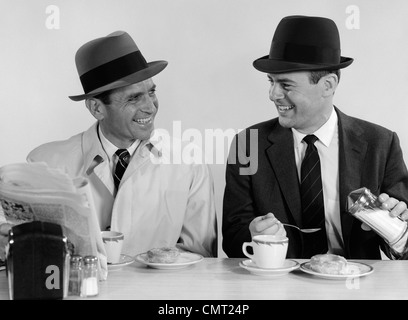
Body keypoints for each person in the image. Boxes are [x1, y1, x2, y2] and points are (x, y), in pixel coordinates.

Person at [0, 31, 217, 260]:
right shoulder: (45, 162)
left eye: (151, 92)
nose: (150, 107)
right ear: (96, 108)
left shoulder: (189, 163)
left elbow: (201, 257)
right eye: (133, 98)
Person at [222, 15, 408, 260]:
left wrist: (397, 231)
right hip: (280, 287)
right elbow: (232, 239)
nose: (272, 94)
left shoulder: (381, 144)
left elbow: (403, 250)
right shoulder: (248, 145)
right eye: (271, 82)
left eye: (286, 85)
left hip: (355, 286)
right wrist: (252, 235)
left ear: (328, 85)